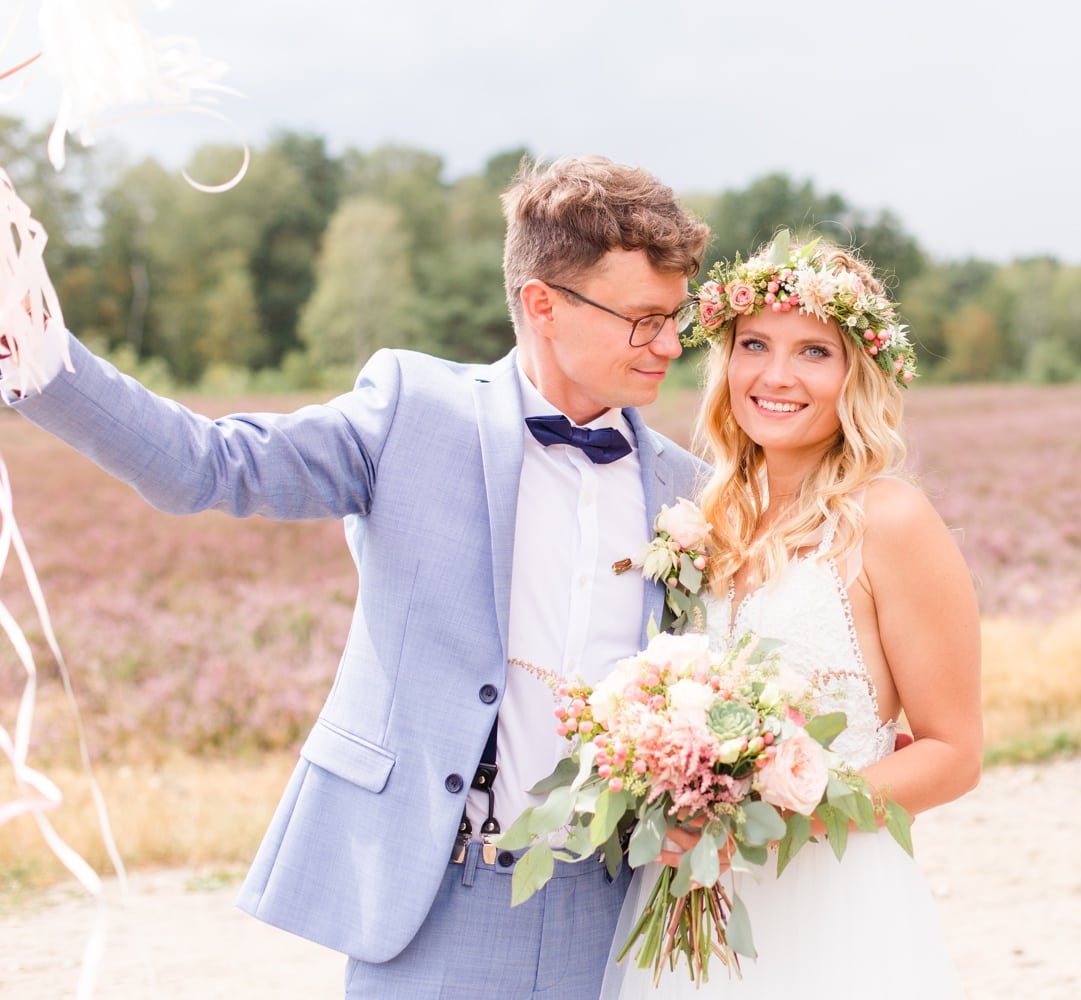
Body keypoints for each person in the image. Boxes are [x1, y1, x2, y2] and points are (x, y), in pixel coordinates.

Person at [1, 155, 710, 999]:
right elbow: (209, 466)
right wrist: (33, 351)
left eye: (676, 316)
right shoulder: (414, 410)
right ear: (543, 304)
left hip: (621, 911)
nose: (669, 344)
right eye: (642, 319)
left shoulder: (689, 490)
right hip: (435, 897)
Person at [602, 235, 982, 997]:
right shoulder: (701, 523)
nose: (776, 376)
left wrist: (767, 821)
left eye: (814, 351)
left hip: (833, 899)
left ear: (856, 376)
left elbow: (952, 752)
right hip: (687, 898)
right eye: (754, 345)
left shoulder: (892, 522)